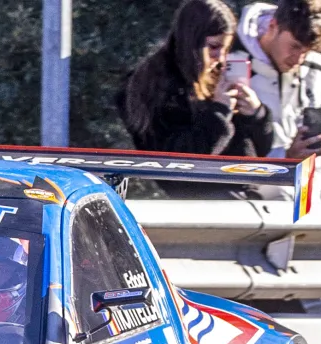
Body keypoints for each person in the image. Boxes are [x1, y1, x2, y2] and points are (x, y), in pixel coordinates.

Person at [117, 0, 274, 197]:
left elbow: (258, 149)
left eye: (226, 49)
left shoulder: (216, 77)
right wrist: (218, 112)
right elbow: (181, 162)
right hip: (198, 199)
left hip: (241, 191)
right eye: (214, 47)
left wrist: (256, 115)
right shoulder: (155, 86)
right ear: (192, 42)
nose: (221, 59)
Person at [230, 1, 321, 203]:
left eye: (307, 51)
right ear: (272, 26)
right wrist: (285, 158)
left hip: (309, 202)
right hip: (254, 208)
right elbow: (224, 154)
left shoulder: (317, 66)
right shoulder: (231, 63)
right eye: (295, 46)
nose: (299, 58)